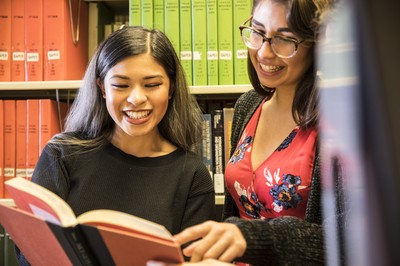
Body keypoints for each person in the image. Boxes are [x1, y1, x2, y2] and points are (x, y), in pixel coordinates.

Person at [155, 0, 338, 265]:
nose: (264, 52)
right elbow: (234, 216)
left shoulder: (336, 121)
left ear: (317, 45)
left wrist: (253, 237)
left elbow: (347, 239)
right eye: (258, 32)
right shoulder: (247, 106)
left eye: (285, 40)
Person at [16, 26, 216, 265]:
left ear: (171, 88)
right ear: (102, 88)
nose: (136, 99)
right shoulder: (62, 155)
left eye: (152, 85)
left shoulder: (192, 174)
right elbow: (28, 253)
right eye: (121, 85)